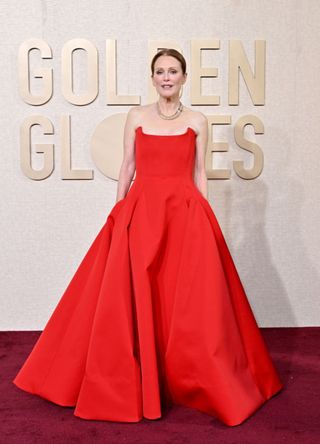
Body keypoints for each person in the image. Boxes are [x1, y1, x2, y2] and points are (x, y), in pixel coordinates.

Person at [13, 48, 283, 427]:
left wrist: (204, 215)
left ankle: (188, 377)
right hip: (142, 211)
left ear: (184, 77)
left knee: (185, 296)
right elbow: (127, 165)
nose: (167, 77)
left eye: (173, 71)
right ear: (153, 77)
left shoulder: (197, 120)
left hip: (184, 211)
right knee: (139, 288)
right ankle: (138, 377)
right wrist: (119, 209)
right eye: (160, 71)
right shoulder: (137, 116)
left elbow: (201, 171)